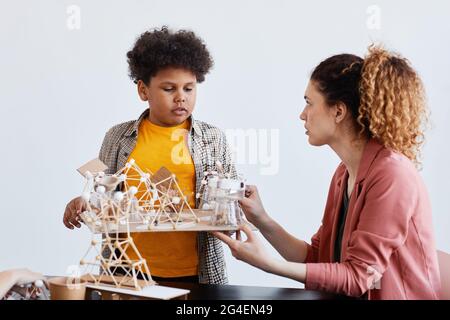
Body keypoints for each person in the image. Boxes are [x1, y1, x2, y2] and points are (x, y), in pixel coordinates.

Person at [214, 46, 441, 299]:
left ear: (338, 111)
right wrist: (262, 219)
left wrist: (268, 264)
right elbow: (318, 257)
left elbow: (358, 277)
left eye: (309, 103)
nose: (302, 115)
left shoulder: (393, 176)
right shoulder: (343, 173)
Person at [63, 26, 236, 284]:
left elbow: (230, 199)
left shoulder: (212, 139)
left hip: (194, 273)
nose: (181, 98)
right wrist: (83, 201)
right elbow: (101, 190)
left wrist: (238, 210)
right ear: (144, 90)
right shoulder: (118, 137)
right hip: (127, 269)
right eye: (169, 89)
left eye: (189, 89)